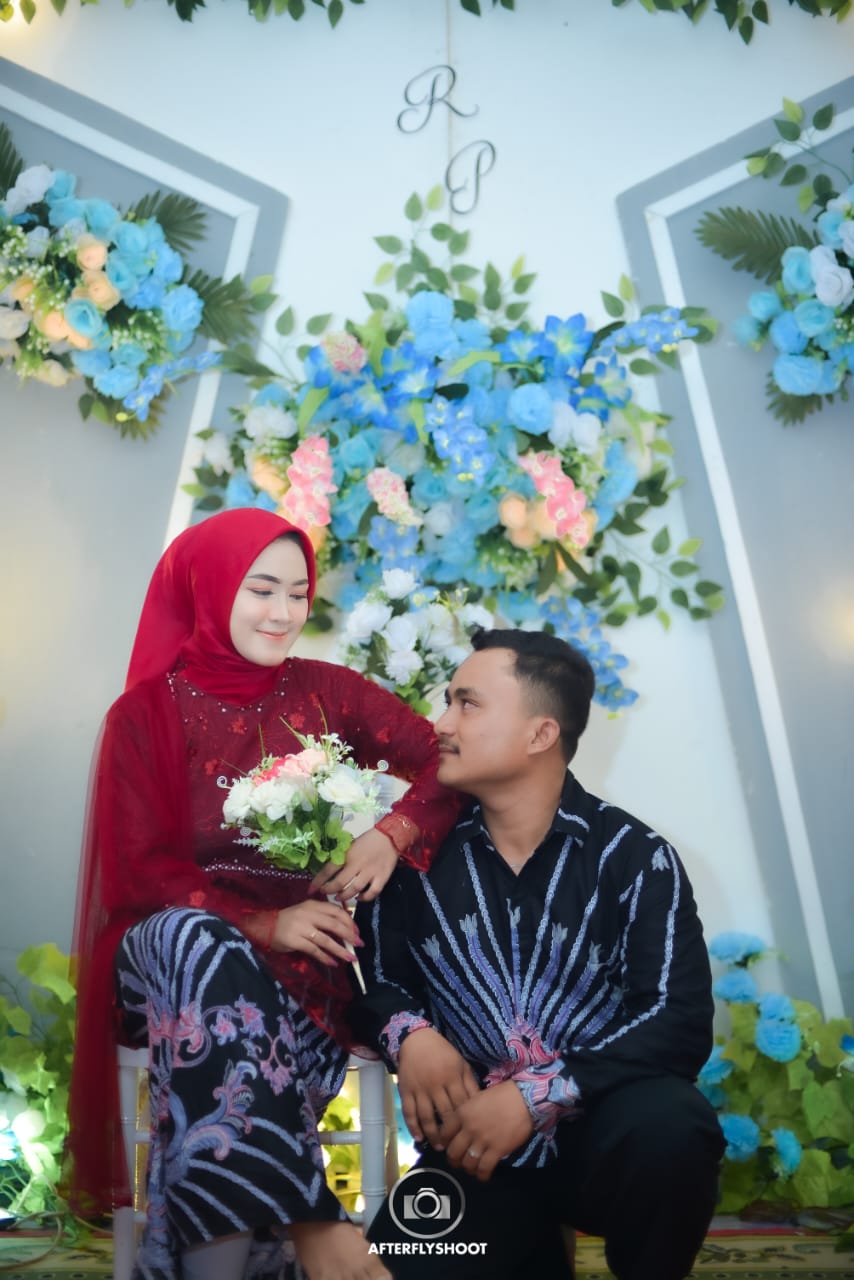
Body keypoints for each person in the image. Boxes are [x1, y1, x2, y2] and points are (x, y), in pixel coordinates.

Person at [63, 508, 461, 1280]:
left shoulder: (327, 694)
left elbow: (445, 761)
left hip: (300, 970)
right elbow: (141, 874)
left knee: (224, 1045)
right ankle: (313, 1219)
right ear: (209, 591)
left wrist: (390, 833)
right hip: (169, 959)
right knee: (198, 941)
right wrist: (261, 922)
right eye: (261, 589)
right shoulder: (143, 715)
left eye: (298, 593)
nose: (283, 612)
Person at [351, 628, 726, 1280]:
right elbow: (378, 980)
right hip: (474, 1154)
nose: (441, 724)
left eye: (468, 704)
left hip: (606, 1136)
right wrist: (411, 1036)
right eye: (448, 702)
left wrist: (535, 1095)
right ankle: (535, 1250)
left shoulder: (634, 858)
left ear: (540, 734)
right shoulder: (411, 860)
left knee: (674, 1128)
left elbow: (678, 1021)